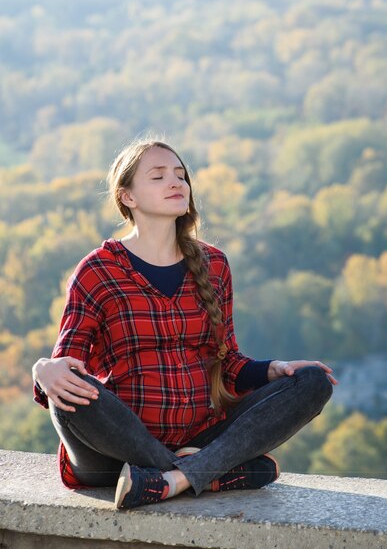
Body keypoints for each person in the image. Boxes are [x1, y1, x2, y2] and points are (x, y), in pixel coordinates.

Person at [32, 139, 336, 509]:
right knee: (69, 389)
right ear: (128, 197)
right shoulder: (97, 270)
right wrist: (42, 370)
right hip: (113, 452)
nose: (176, 183)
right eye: (158, 176)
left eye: (180, 175)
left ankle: (171, 479)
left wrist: (274, 370)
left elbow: (227, 364)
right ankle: (210, 472)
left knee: (311, 381)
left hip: (200, 437)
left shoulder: (214, 265)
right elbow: (68, 366)